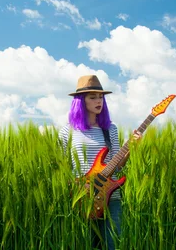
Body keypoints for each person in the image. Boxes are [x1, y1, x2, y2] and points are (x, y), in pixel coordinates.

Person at [58, 75, 141, 250]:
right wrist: (78, 186)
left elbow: (117, 165)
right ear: (80, 101)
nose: (99, 101)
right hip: (82, 199)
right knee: (87, 245)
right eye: (92, 97)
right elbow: (61, 168)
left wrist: (131, 146)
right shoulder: (68, 131)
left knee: (114, 245)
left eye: (101, 97)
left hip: (111, 197)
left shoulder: (110, 129)